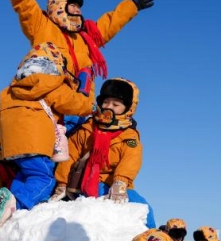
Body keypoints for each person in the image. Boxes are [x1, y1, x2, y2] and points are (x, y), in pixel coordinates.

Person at [0, 0, 154, 107]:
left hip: (79, 106)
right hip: (52, 101)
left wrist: (133, 6)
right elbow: (25, 5)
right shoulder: (41, 26)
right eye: (72, 5)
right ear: (59, 6)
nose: (78, 10)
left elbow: (110, 23)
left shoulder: (86, 36)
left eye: (79, 6)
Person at [0, 42, 95, 231]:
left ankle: (10, 202)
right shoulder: (50, 83)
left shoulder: (10, 89)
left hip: (11, 145)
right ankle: (16, 205)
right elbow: (74, 104)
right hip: (35, 142)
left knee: (26, 174)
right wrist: (89, 103)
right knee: (44, 179)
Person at [50, 78, 155, 228]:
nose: (109, 107)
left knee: (144, 209)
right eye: (106, 102)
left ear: (127, 108)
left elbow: (131, 160)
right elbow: (70, 154)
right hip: (85, 182)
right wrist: (62, 182)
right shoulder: (87, 129)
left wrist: (120, 182)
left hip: (114, 184)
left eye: (116, 104)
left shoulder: (129, 136)